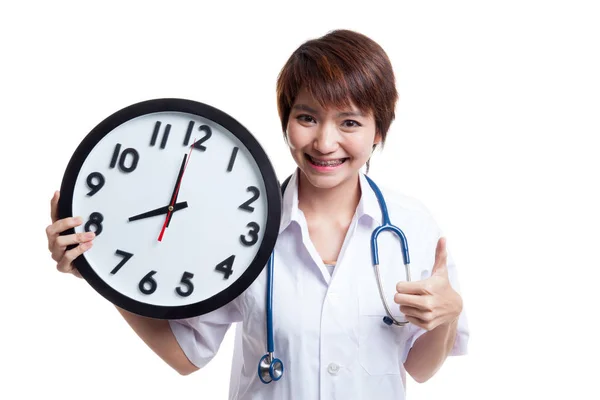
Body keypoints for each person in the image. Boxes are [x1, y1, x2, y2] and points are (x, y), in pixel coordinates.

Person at [46, 29, 469, 399]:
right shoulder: (233, 228)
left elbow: (419, 368)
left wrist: (447, 315)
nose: (324, 142)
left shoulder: (412, 227)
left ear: (379, 131)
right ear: (286, 122)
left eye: (350, 123)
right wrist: (100, 274)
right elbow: (185, 356)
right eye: (307, 117)